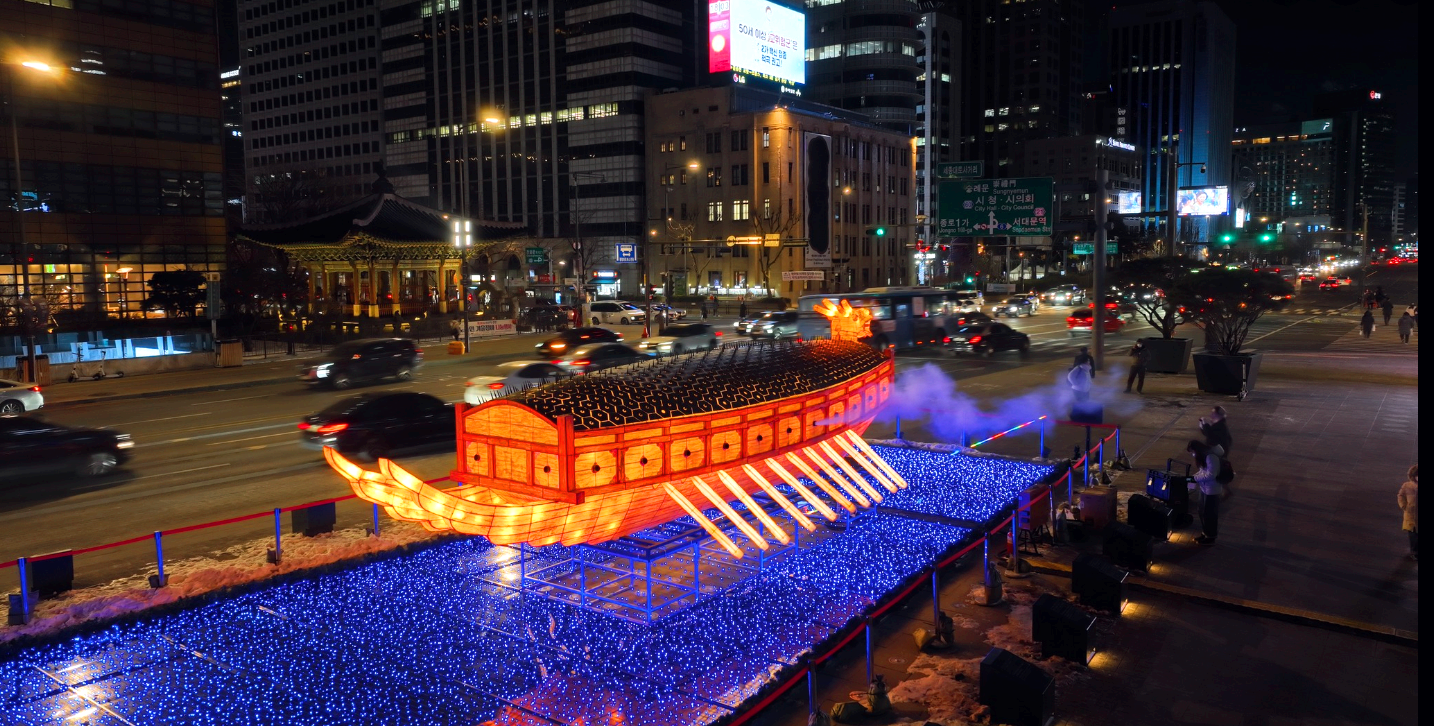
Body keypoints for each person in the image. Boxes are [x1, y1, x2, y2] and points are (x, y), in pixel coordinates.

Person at [1187, 440, 1223, 545]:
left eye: (1192, 452)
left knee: (1210, 514)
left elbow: (1211, 475)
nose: (1192, 454)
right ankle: (1205, 533)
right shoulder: (1204, 457)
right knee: (1202, 511)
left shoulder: (1211, 457)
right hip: (1204, 489)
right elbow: (1203, 471)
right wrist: (1193, 477)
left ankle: (1211, 537)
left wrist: (1195, 479)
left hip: (1212, 490)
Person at [1398, 465, 1418, 560]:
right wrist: (1404, 506)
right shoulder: (1407, 486)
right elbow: (1400, 495)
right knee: (1413, 536)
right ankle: (1414, 552)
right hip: (1411, 516)